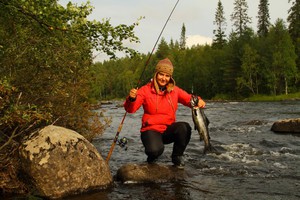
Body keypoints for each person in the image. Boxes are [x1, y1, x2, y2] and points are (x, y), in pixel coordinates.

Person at [124, 58, 206, 168]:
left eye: (167, 76)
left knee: (184, 127)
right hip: (150, 130)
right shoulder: (145, 90)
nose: (164, 78)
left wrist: (198, 100)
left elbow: (188, 99)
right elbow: (130, 109)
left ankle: (177, 157)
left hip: (168, 129)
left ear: (170, 77)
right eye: (161, 74)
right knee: (155, 151)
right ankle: (153, 157)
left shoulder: (174, 90)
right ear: (156, 74)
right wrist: (131, 99)